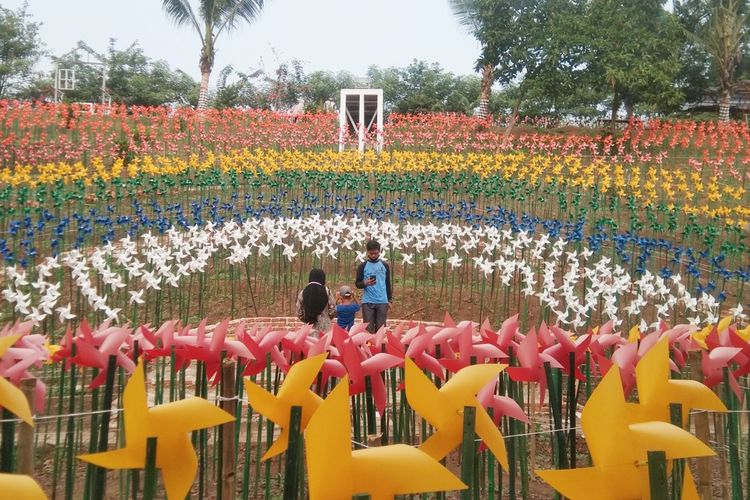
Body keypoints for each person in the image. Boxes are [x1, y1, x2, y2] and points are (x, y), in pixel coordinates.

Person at [355, 239, 392, 333]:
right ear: (367, 252)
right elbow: (357, 284)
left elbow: (387, 283)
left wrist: (389, 299)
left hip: (382, 301)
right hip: (367, 302)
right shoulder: (362, 266)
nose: (373, 255)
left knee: (381, 329)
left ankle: (379, 347)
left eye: (375, 253)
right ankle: (369, 347)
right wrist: (365, 282)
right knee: (368, 329)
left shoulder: (385, 265)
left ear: (379, 252)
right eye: (371, 253)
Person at [296, 268, 336, 336]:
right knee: (324, 345)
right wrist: (327, 317)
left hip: (309, 328)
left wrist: (306, 319)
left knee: (311, 345)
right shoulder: (327, 291)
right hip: (324, 328)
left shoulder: (303, 292)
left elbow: (299, 312)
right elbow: (333, 309)